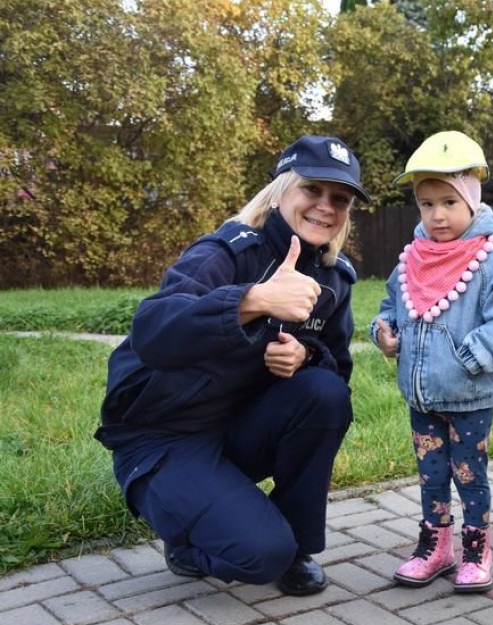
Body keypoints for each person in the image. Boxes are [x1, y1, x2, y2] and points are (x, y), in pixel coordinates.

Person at [95, 135, 370, 596]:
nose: (326, 206)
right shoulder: (225, 252)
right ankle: (188, 540)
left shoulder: (334, 277)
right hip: (163, 438)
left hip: (237, 429)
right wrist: (252, 300)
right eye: (312, 189)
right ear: (280, 191)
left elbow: (337, 371)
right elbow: (153, 330)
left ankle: (297, 548)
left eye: (339, 198)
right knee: (260, 554)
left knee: (325, 393)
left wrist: (305, 356)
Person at [371, 131, 493, 593]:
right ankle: (436, 546)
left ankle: (477, 547)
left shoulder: (488, 262)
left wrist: (474, 356)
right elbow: (390, 305)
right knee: (432, 474)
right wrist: (384, 332)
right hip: (422, 395)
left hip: (468, 395)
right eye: (426, 204)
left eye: (449, 202)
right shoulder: (411, 261)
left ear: (472, 201)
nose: (437, 215)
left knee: (469, 474)